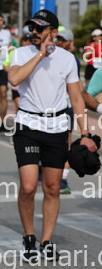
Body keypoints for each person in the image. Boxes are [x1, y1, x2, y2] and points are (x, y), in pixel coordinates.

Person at [8, 10, 98, 263]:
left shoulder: (68, 59)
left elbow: (77, 98)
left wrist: (85, 133)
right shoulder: (22, 53)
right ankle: (29, 237)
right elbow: (14, 78)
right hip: (28, 125)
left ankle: (46, 241)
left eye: (40, 28)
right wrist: (40, 54)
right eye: (32, 28)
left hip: (57, 127)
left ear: (54, 32)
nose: (34, 32)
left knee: (53, 187)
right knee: (28, 186)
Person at [55, 29, 80, 194]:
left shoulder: (73, 61)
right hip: (49, 108)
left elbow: (76, 88)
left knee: (66, 144)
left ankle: (63, 179)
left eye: (63, 40)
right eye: (58, 39)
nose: (60, 43)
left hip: (66, 107)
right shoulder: (49, 57)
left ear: (70, 43)